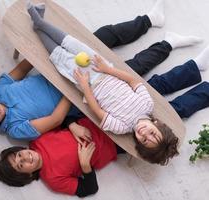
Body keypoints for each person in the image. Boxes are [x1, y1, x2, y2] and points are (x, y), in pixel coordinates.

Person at [0, 0, 193, 142]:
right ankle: (168, 44)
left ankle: (149, 20)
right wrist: (73, 85)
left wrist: (44, 43)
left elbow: (25, 64)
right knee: (134, 67)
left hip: (58, 68)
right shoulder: (15, 130)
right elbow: (56, 119)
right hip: (78, 92)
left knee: (101, 37)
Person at [26, 1, 208, 165]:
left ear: (138, 142)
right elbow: (132, 80)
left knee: (60, 57)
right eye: (151, 134)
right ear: (158, 124)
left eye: (144, 139)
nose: (144, 133)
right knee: (74, 43)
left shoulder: (121, 128)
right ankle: (170, 41)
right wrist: (107, 69)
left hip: (89, 83)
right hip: (107, 71)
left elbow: (97, 110)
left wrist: (85, 86)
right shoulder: (147, 104)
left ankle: (38, 25)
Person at [0, 117, 124, 197]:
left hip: (95, 118)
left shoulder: (37, 140)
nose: (25, 158)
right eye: (21, 165)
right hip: (114, 144)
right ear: (28, 175)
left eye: (18, 155)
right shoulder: (53, 180)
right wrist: (85, 166)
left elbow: (63, 119)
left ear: (21, 149)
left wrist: (72, 125)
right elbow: (89, 189)